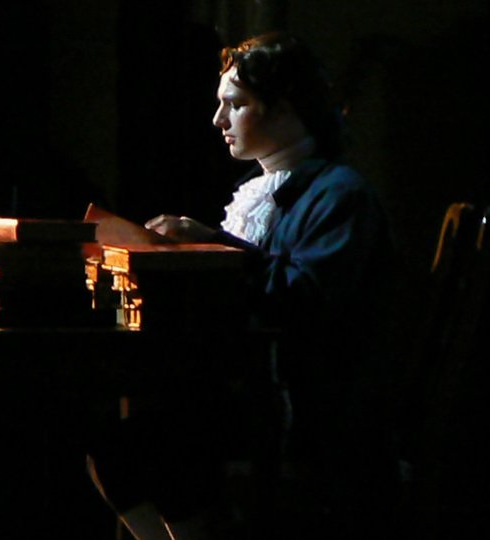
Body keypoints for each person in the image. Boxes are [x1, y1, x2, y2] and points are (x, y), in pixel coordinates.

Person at [87, 31, 400, 539]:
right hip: (248, 389)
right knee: (112, 444)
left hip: (306, 409)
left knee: (152, 444)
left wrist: (214, 247)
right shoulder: (264, 192)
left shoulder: (340, 195)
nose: (219, 119)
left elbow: (302, 301)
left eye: (236, 104)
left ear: (285, 108)